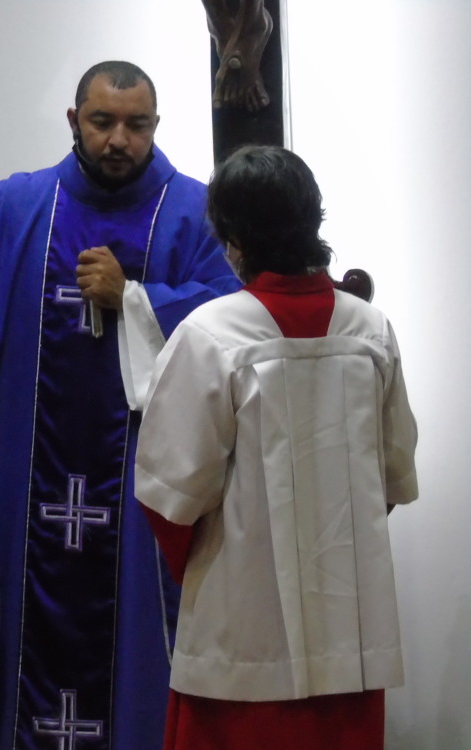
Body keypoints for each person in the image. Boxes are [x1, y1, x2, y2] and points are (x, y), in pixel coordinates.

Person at [0, 61, 241, 750]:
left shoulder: (194, 214)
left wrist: (134, 300)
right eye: (102, 122)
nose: (119, 140)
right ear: (74, 120)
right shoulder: (19, 207)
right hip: (29, 497)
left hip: (143, 496)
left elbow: (230, 317)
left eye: (136, 125)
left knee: (140, 650)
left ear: (156, 127)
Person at [134, 145, 418, 750]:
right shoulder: (371, 331)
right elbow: (392, 479)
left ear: (233, 238)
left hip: (240, 638)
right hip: (349, 634)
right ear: (313, 218)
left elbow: (170, 500)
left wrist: (224, 568)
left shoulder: (210, 335)